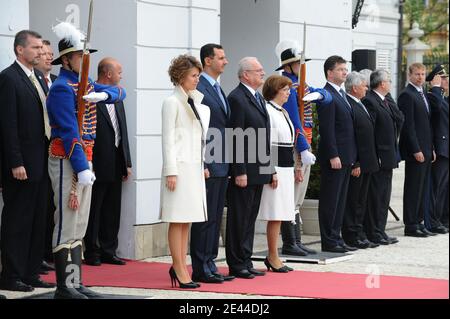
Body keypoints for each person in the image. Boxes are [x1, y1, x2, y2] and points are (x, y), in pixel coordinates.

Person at [47, 22, 126, 299]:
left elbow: (121, 92)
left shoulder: (86, 84)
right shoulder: (61, 88)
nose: (85, 60)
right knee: (67, 223)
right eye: (81, 56)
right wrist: (81, 167)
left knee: (80, 224)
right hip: (69, 159)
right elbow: (69, 132)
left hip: (86, 159)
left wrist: (104, 94)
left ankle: (76, 283)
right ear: (66, 59)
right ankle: (64, 287)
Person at [0, 30, 54, 292]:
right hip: (22, 165)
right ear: (20, 50)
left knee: (37, 220)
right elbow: (8, 125)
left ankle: (31, 271)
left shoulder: (37, 79)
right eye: (34, 48)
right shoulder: (9, 79)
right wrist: (15, 162)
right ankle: (11, 275)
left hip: (41, 161)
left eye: (41, 48)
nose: (40, 52)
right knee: (18, 220)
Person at [160, 54, 210, 289]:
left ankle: (181, 265)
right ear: (180, 76)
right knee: (176, 219)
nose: (197, 80)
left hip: (193, 168)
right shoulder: (172, 102)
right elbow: (168, 139)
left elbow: (198, 140)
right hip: (178, 168)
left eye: (198, 76)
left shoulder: (194, 101)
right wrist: (171, 170)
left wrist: (203, 166)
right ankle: (178, 267)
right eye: (193, 76)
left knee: (187, 219)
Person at [275, 41, 327, 256]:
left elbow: (327, 97)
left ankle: (296, 241)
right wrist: (303, 147)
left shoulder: (301, 85)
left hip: (305, 143)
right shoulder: (288, 87)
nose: (302, 66)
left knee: (298, 197)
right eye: (299, 63)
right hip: (298, 146)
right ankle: (290, 242)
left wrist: (318, 95)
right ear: (289, 66)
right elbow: (293, 120)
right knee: (293, 196)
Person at [190, 44, 234, 284]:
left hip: (221, 161)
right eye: (221, 57)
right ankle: (200, 266)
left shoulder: (217, 88)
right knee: (204, 218)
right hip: (209, 161)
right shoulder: (202, 87)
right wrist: (204, 162)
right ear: (208, 61)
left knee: (215, 217)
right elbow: (199, 127)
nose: (225, 61)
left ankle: (210, 263)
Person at [226, 57, 274, 279]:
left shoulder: (257, 97)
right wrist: (240, 170)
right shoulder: (237, 98)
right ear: (246, 74)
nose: (262, 74)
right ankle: (236, 263)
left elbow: (263, 136)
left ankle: (246, 259)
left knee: (250, 217)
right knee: (239, 218)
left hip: (258, 169)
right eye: (258, 70)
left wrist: (269, 168)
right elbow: (235, 137)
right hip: (245, 171)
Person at [84, 58, 132, 266]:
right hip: (97, 161)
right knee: (95, 208)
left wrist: (127, 161)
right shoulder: (93, 95)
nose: (122, 75)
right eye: (119, 71)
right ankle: (92, 251)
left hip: (116, 161)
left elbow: (123, 131)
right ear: (108, 73)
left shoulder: (118, 96)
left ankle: (109, 250)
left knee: (113, 208)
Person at [317, 55, 357, 253]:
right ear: (329, 73)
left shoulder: (341, 94)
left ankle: (336, 236)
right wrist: (333, 154)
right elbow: (327, 129)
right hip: (335, 156)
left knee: (341, 200)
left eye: (345, 69)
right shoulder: (326, 94)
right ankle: (329, 239)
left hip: (346, 155)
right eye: (341, 69)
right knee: (331, 200)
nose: (345, 72)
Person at [257, 75, 295, 273]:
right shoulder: (269, 111)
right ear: (275, 90)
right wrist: (270, 171)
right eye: (285, 89)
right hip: (276, 168)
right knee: (275, 213)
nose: (289, 92)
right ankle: (272, 255)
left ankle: (274, 255)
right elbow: (267, 143)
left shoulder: (283, 112)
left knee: (281, 213)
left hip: (286, 167)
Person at [362, 69, 403, 245]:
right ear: (382, 83)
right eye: (389, 81)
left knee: (384, 196)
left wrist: (389, 99)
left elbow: (400, 118)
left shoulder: (385, 100)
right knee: (376, 196)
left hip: (389, 155)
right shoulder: (371, 101)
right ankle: (374, 231)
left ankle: (380, 230)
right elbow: (370, 132)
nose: (391, 84)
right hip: (379, 155)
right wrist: (375, 155)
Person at [341, 72, 379, 249]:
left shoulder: (360, 103)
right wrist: (355, 162)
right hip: (358, 163)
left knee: (361, 201)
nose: (366, 88)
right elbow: (352, 137)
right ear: (355, 88)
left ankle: (359, 232)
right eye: (364, 85)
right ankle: (351, 235)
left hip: (367, 161)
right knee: (353, 201)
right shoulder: (349, 104)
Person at [398, 63, 436, 238]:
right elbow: (409, 126)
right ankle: (411, 224)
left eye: (423, 74)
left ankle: (419, 221)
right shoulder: (407, 95)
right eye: (417, 74)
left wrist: (431, 148)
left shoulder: (422, 94)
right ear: (409, 75)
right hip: (416, 151)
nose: (421, 77)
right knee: (413, 187)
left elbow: (426, 125)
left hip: (427, 149)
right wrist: (416, 149)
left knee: (422, 187)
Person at [35, 39, 57, 272]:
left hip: (53, 154)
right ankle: (38, 254)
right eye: (43, 52)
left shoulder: (54, 81)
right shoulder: (32, 80)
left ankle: (46, 252)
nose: (48, 57)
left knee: (48, 208)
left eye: (50, 53)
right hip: (38, 154)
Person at [426, 64, 449, 234]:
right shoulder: (433, 96)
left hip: (445, 147)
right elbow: (439, 111)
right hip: (439, 147)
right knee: (435, 187)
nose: (446, 80)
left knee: (443, 187)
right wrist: (435, 88)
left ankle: (440, 218)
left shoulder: (442, 97)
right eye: (443, 78)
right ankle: (432, 220)